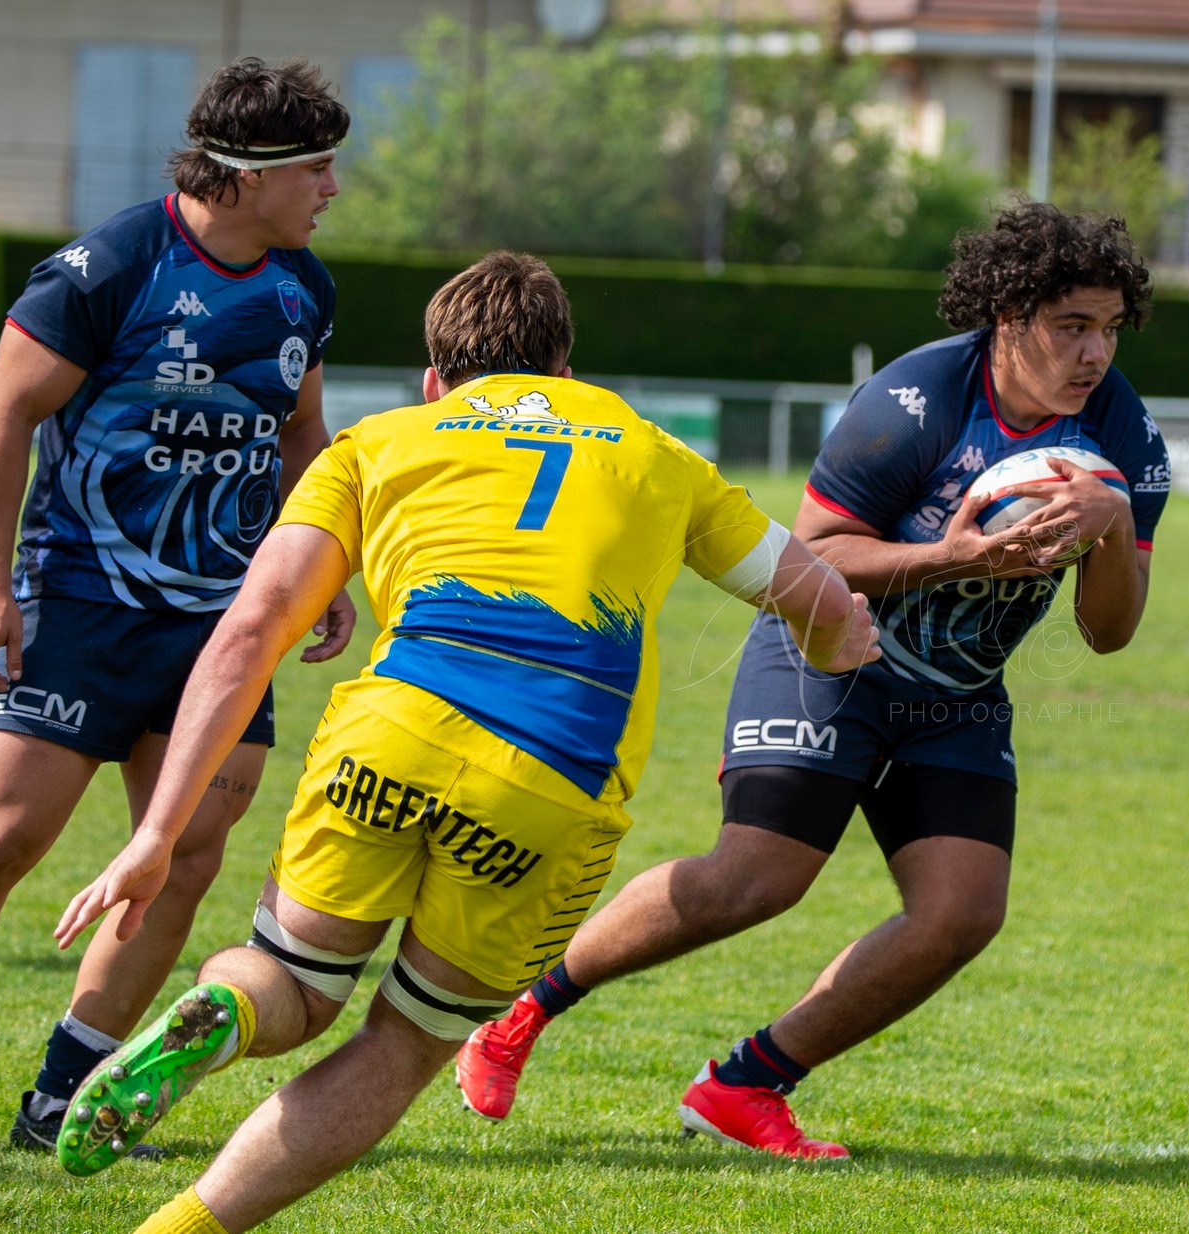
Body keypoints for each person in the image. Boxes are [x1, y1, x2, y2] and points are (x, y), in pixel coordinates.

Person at [47, 251, 877, 1233]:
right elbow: (821, 601)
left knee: (292, 982)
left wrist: (157, 834)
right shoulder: (654, 451)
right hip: (552, 778)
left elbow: (252, 626)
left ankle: (223, 1013)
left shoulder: (376, 442)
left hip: (387, 736)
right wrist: (841, 642)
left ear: (435, 379)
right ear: (564, 372)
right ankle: (174, 1230)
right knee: (403, 1044)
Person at [454, 201, 1170, 1159]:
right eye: (1071, 326)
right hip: (827, 649)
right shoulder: (911, 401)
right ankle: (519, 1013)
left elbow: (1110, 630)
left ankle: (745, 1086)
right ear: (1008, 317)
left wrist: (1113, 524)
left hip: (953, 691)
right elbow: (812, 553)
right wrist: (954, 561)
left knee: (962, 913)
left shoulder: (1128, 436)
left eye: (1110, 330)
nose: (1094, 354)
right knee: (757, 880)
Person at [0, 56, 354, 1154]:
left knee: (181, 856)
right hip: (76, 601)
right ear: (250, 173)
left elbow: (299, 438)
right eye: (318, 166)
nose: (332, 187)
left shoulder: (303, 287)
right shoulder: (111, 266)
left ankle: (62, 1097)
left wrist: (320, 565)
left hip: (221, 627)